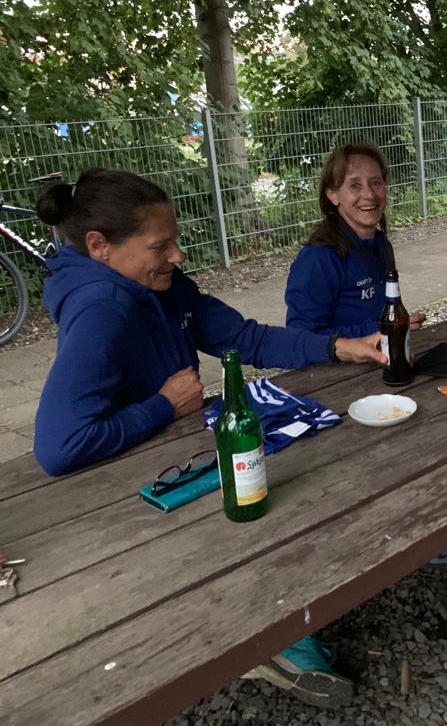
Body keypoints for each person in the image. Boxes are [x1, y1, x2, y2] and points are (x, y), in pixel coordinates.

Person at [32, 169, 385, 709]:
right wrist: (162, 406)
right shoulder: (102, 305)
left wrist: (341, 347)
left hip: (185, 451)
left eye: (174, 241)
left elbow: (242, 337)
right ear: (100, 247)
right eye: (160, 245)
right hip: (134, 491)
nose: (176, 255)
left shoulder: (157, 286)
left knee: (299, 467)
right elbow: (58, 446)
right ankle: (265, 635)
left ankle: (271, 622)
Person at [285, 143, 425, 337]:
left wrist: (397, 325)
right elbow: (302, 340)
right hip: (341, 367)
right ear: (332, 195)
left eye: (376, 183)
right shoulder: (318, 260)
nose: (369, 195)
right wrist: (384, 329)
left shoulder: (381, 245)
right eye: (355, 185)